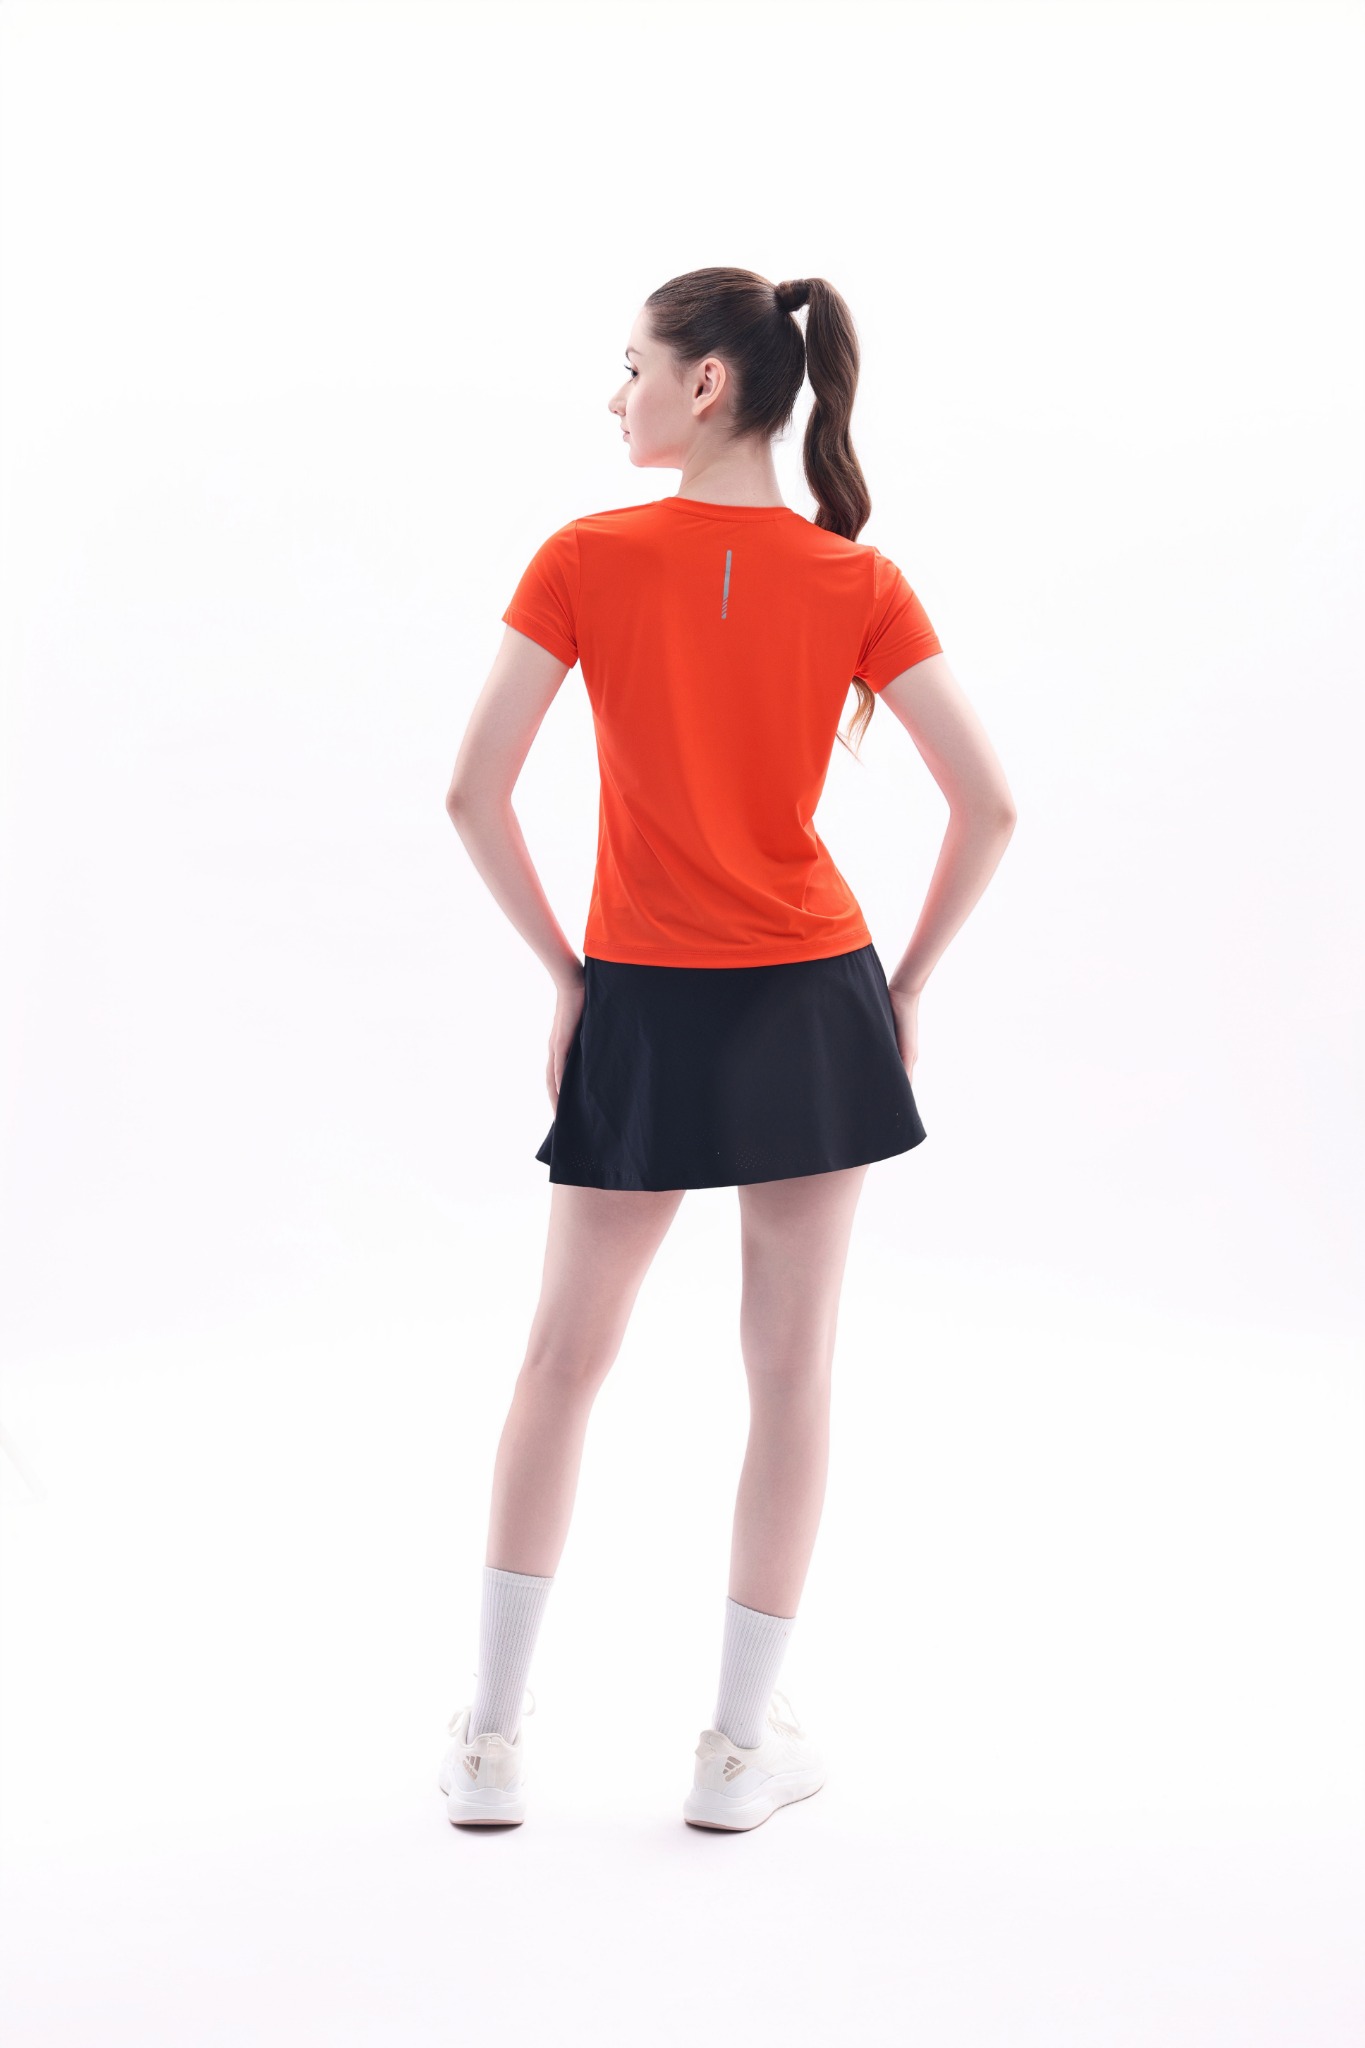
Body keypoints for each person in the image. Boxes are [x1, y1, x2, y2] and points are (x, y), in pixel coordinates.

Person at [438, 267, 1017, 1830]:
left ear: (704, 384)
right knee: (790, 1373)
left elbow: (470, 792)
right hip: (813, 1001)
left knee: (561, 1360)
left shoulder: (582, 556)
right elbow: (991, 805)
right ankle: (737, 1753)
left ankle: (488, 1745)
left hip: (643, 995)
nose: (612, 393)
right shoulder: (858, 580)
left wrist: (571, 980)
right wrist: (903, 987)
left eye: (629, 365)